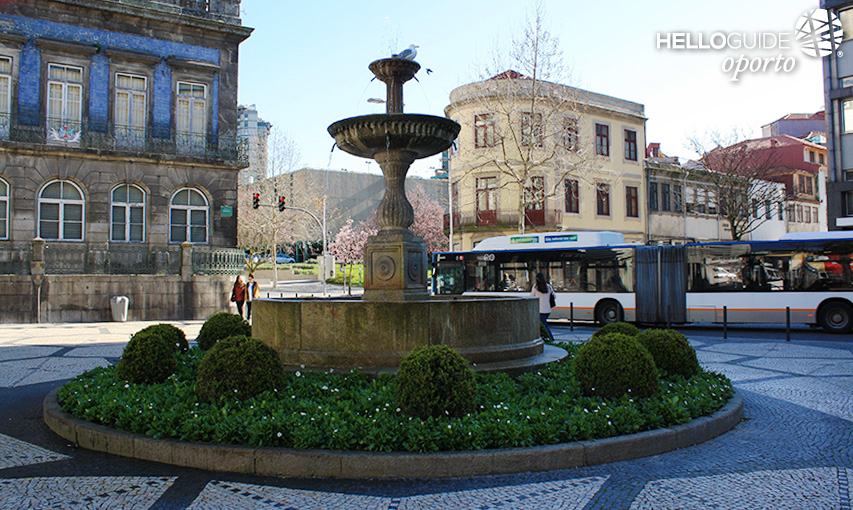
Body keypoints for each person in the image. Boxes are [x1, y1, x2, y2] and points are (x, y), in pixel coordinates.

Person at [530, 272, 556, 340]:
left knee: (544, 326)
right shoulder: (548, 287)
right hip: (548, 310)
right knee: (541, 325)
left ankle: (551, 338)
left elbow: (531, 297)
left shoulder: (535, 287)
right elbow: (554, 296)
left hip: (540, 310)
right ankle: (542, 337)